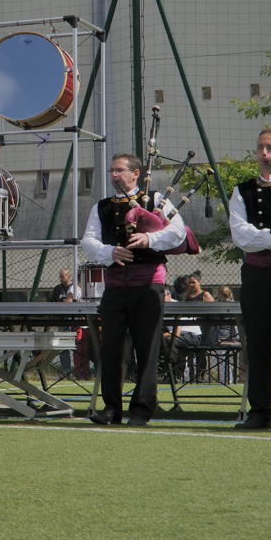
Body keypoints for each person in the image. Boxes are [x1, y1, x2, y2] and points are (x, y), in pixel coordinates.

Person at [82, 153, 185, 427]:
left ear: (136, 173)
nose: (114, 175)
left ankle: (141, 409)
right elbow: (88, 242)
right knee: (112, 348)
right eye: (111, 171)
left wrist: (149, 237)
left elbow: (179, 233)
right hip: (115, 286)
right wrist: (109, 251)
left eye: (119, 170)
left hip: (149, 284)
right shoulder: (101, 207)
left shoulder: (156, 200)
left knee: (147, 346)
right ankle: (111, 409)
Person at [229, 126, 271, 429]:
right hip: (257, 276)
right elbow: (241, 236)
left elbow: (252, 235)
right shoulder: (241, 191)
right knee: (257, 343)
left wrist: (262, 236)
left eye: (270, 148)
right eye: (261, 148)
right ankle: (259, 411)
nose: (264, 154)